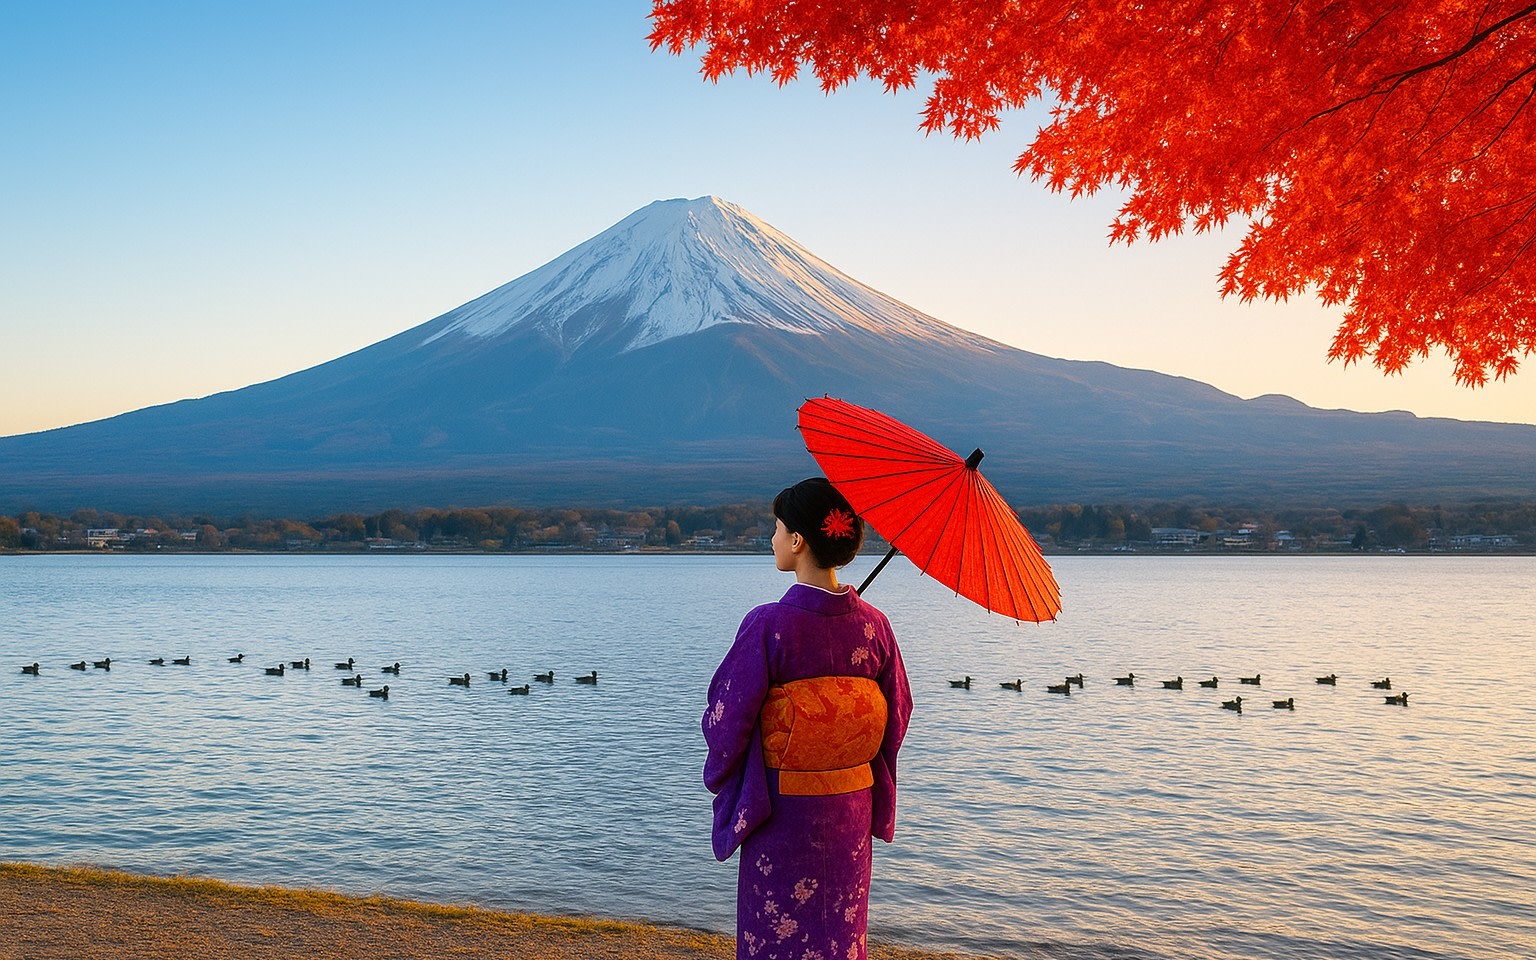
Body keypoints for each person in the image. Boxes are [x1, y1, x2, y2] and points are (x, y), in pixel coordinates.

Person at [703, 477, 913, 960]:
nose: (773, 540)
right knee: (838, 930)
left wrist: (735, 769)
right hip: (850, 807)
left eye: (777, 529)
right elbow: (897, 712)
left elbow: (727, 716)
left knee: (778, 930)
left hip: (784, 809)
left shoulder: (769, 624)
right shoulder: (874, 625)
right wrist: (845, 748)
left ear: (798, 541)